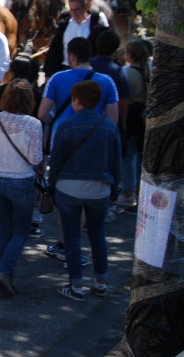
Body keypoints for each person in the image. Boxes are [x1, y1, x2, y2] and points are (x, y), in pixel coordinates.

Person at [39, 37, 119, 263]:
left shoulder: (57, 79)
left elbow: (42, 115)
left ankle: (67, 244)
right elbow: (113, 120)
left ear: (71, 55)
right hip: (96, 145)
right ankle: (74, 249)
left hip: (62, 144)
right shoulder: (107, 82)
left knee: (65, 196)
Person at [49, 81, 122, 301]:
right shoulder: (110, 127)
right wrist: (115, 191)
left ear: (77, 100)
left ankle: (77, 285)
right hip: (100, 190)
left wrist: (51, 189)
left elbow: (57, 160)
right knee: (97, 234)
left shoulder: (66, 125)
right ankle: (101, 281)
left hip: (68, 188)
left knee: (71, 237)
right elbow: (116, 163)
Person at [0, 79, 43, 297]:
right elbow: (36, 157)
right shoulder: (33, 124)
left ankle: (6, 275)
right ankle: (4, 271)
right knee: (22, 230)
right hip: (21, 181)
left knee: (5, 229)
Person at [43, 0, 111, 79]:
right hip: (66, 69)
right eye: (71, 10)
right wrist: (49, 73)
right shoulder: (64, 25)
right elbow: (55, 50)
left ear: (85, 7)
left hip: (88, 72)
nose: (74, 13)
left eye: (77, 10)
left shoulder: (95, 25)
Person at [118, 39, 150, 208]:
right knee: (140, 155)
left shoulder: (127, 73)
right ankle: (139, 189)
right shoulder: (148, 70)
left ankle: (128, 191)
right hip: (144, 114)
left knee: (127, 155)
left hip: (131, 116)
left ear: (129, 55)